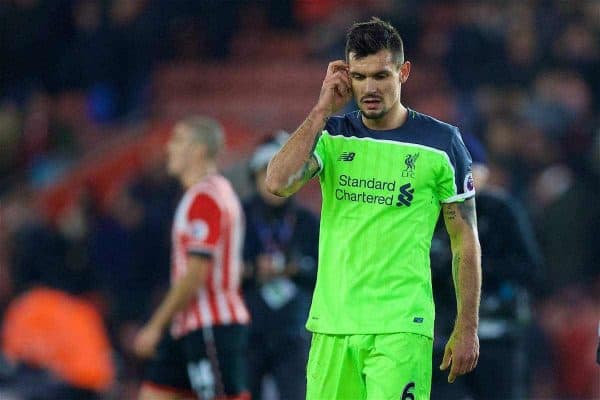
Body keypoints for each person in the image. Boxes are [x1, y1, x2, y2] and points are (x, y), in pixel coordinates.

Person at [265, 17, 482, 400]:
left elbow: (464, 241)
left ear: (404, 72)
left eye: (381, 76)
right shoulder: (331, 135)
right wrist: (320, 110)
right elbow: (278, 183)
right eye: (360, 76)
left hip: (401, 325)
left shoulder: (442, 144)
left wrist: (467, 326)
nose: (369, 88)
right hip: (332, 323)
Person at [133, 116, 250, 400]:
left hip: (211, 327)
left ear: (198, 150)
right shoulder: (206, 194)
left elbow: (196, 274)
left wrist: (154, 325)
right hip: (187, 325)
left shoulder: (206, 198)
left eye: (177, 141)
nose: (169, 148)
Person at [430, 134, 544, 400]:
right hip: (444, 338)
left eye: (468, 170)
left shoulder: (501, 210)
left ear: (484, 172)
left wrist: (477, 268)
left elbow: (530, 269)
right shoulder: (432, 215)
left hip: (497, 335)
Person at [243, 133, 319, 400]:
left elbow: (324, 274)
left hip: (293, 331)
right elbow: (222, 270)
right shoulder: (238, 216)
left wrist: (295, 269)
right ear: (253, 176)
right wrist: (252, 269)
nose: (272, 180)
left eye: (283, 170)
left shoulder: (308, 220)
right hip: (247, 329)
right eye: (265, 171)